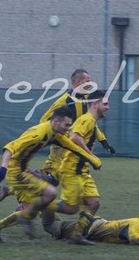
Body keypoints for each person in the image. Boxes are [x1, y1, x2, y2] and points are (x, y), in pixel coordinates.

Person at [0, 68, 114, 210]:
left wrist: (103, 140)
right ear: (78, 82)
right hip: (61, 148)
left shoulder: (86, 100)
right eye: (88, 81)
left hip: (70, 146)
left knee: (52, 180)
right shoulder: (64, 101)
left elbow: (88, 122)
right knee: (51, 180)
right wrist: (60, 136)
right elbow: (46, 120)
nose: (91, 83)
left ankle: (11, 193)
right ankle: (25, 202)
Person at [0, 107, 102, 242]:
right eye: (67, 125)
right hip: (15, 172)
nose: (69, 129)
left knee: (38, 203)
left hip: (24, 170)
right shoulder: (38, 134)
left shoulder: (54, 134)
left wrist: (93, 159)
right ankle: (24, 214)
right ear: (56, 122)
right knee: (50, 193)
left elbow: (72, 147)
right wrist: (3, 168)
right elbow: (10, 148)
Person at [46, 90, 111, 245]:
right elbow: (75, 137)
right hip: (71, 170)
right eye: (106, 104)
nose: (108, 107)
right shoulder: (86, 119)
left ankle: (77, 235)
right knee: (70, 208)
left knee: (94, 202)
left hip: (82, 171)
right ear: (95, 104)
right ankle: (40, 203)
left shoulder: (91, 121)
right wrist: (91, 156)